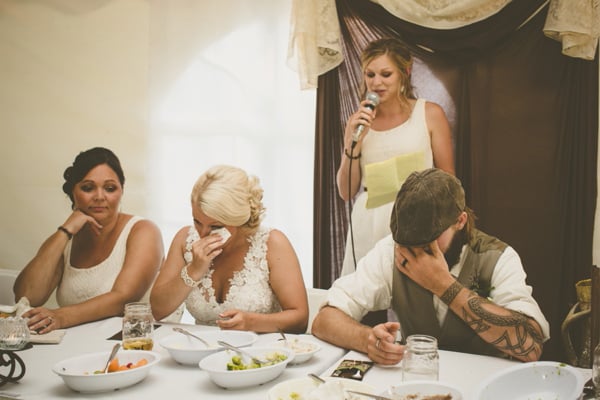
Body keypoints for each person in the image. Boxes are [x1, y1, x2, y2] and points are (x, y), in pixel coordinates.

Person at [312, 168, 550, 364]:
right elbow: (324, 320)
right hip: (418, 382)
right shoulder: (393, 251)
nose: (416, 251)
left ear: (460, 221)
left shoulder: (499, 257)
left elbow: (530, 348)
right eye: (409, 242)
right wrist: (367, 340)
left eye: (428, 240)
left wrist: (445, 287)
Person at [13, 147, 164, 333]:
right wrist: (65, 231)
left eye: (110, 188)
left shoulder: (143, 230)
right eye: (88, 188)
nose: (99, 197)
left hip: (130, 344)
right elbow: (26, 296)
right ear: (73, 194)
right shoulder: (66, 240)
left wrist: (60, 316)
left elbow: (122, 299)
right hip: (75, 344)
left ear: (121, 191)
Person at [338, 37, 455, 276]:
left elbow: (448, 179)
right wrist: (354, 143)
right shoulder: (357, 122)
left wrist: (447, 228)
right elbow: (346, 191)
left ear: (405, 72)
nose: (376, 82)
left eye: (385, 74)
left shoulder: (430, 113)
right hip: (369, 223)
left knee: (413, 300)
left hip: (416, 220)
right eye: (370, 75)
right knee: (365, 301)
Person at [150, 164, 309, 333]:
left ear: (238, 220)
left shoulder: (272, 243)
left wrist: (252, 323)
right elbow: (158, 311)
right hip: (199, 351)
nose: (203, 233)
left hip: (260, 353)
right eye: (197, 222)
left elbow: (300, 320)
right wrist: (193, 270)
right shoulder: (185, 239)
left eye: (216, 226)